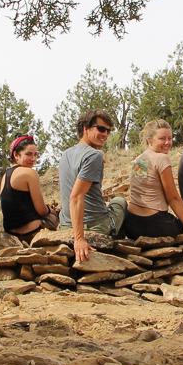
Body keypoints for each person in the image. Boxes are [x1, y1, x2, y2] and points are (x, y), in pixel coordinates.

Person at [59, 109, 127, 263]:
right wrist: (79, 239)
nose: (105, 134)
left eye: (108, 131)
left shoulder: (65, 154)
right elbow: (75, 197)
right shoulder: (94, 155)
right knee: (120, 201)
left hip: (65, 224)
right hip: (94, 226)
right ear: (85, 128)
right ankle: (119, 251)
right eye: (101, 129)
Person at [123, 120, 183, 240]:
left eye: (170, 138)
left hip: (132, 225)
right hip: (155, 225)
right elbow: (173, 198)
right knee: (180, 227)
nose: (167, 142)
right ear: (150, 140)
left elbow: (142, 190)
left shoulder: (140, 159)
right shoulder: (162, 158)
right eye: (162, 138)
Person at [0, 134, 58, 243]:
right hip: (32, 233)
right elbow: (41, 210)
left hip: (11, 235)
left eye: (36, 155)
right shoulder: (30, 173)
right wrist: (49, 210)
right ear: (16, 155)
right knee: (54, 215)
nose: (33, 159)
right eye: (28, 154)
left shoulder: (5, 176)